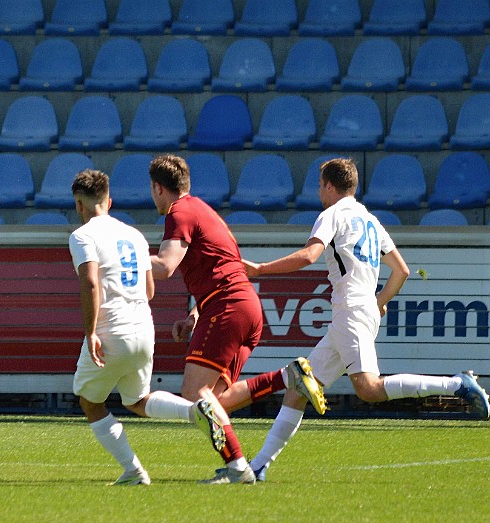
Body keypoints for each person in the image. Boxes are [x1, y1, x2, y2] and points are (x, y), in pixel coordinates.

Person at [243, 157, 490, 481]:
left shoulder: (331, 215)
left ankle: (457, 384)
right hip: (357, 311)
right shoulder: (370, 220)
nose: (319, 192)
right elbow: (401, 271)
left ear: (330, 186)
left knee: (368, 388)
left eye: (320, 186)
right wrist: (378, 303)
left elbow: (309, 256)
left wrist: (260, 270)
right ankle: (258, 466)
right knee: (298, 389)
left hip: (351, 311)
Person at [147, 154, 327, 485]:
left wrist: (124, 258)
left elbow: (166, 266)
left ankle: (238, 468)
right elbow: (221, 266)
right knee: (215, 403)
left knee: (193, 395)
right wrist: (194, 314)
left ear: (158, 188)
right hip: (245, 305)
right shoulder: (204, 211)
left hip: (227, 307)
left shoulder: (179, 212)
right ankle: (287, 377)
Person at [68, 168, 227, 486]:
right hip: (143, 329)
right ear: (109, 201)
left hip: (111, 331)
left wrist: (90, 332)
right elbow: (150, 290)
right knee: (137, 400)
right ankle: (194, 411)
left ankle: (134, 470)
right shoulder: (134, 236)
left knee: (89, 400)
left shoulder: (82, 236)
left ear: (79, 206)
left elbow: (89, 283)